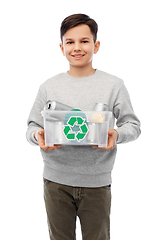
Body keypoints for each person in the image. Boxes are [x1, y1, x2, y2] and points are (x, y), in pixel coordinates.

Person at [26, 13, 141, 240]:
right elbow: (31, 126)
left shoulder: (113, 86)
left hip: (97, 184)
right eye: (70, 42)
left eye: (84, 41)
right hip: (56, 182)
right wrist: (37, 135)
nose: (77, 48)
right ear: (61, 47)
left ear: (96, 45)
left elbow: (133, 125)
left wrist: (116, 134)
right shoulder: (49, 87)